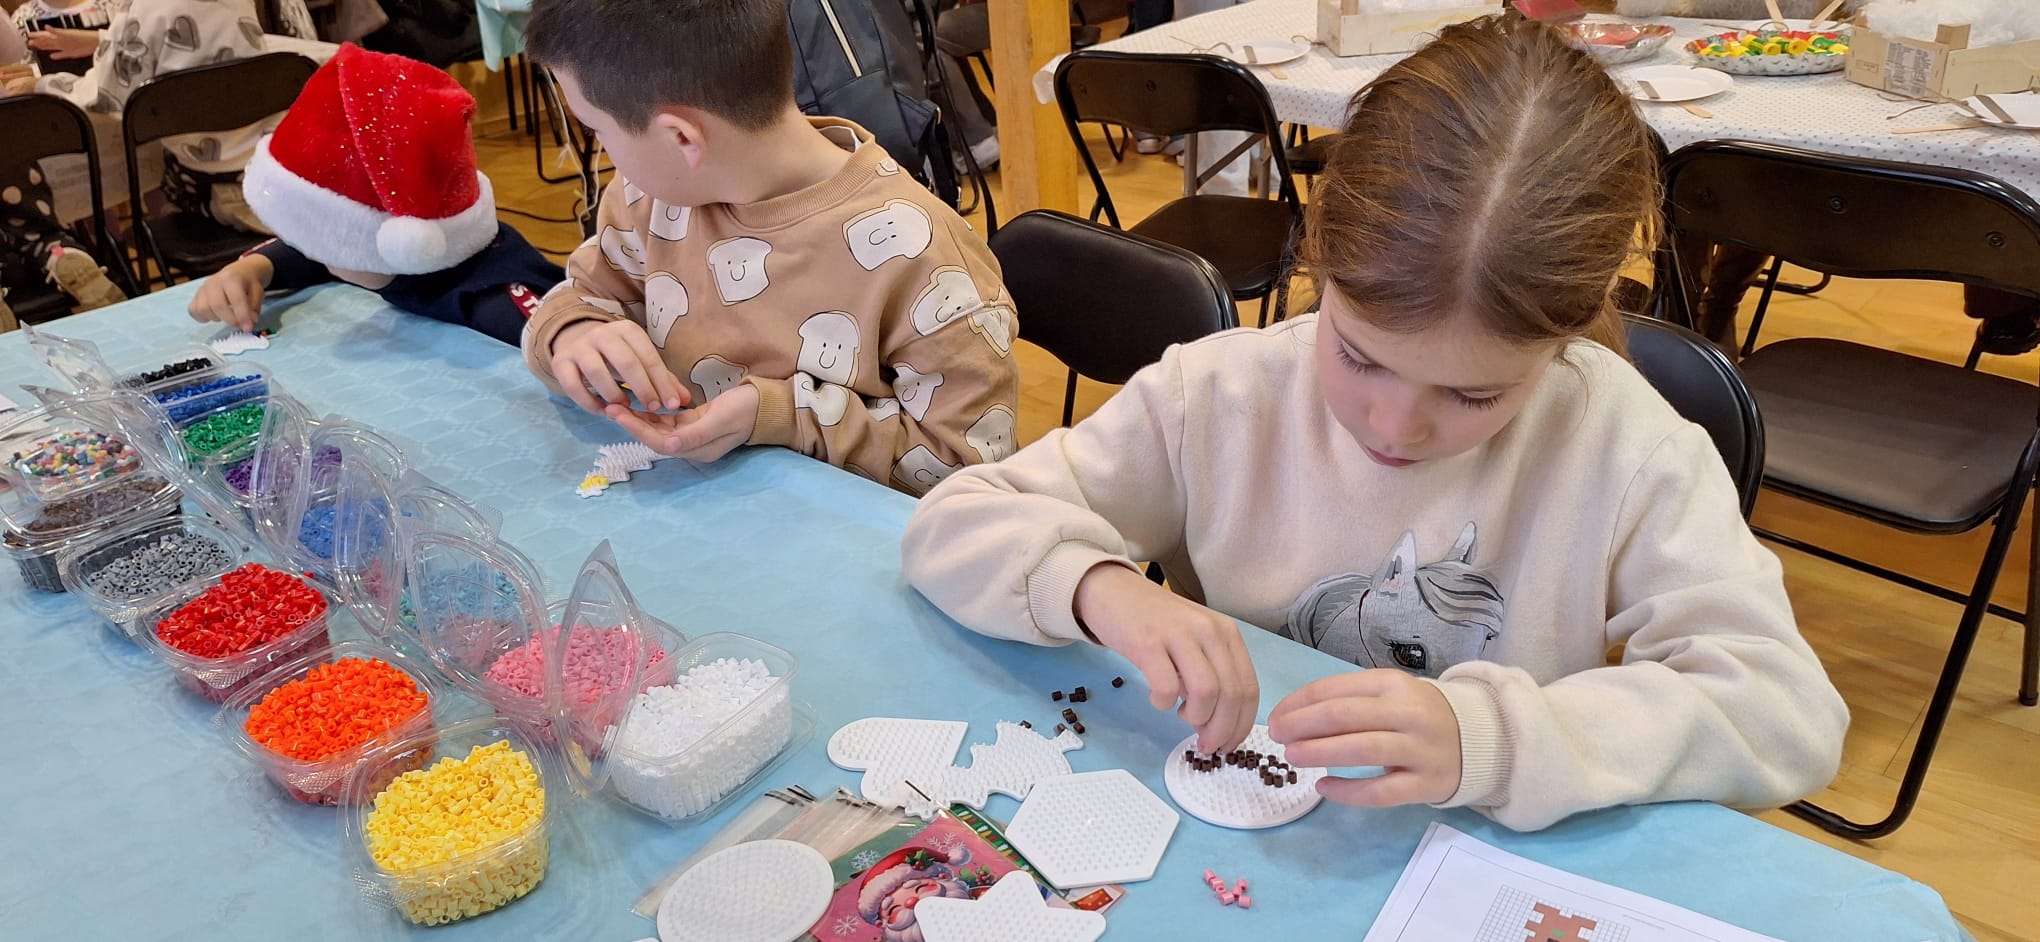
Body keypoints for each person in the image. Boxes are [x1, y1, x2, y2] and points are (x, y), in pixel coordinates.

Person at [901, 13, 1847, 832]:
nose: (1395, 427)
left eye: (1474, 396)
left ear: (1564, 336)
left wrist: (1498, 737)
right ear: (1317, 260)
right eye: (1357, 356)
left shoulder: (1625, 448)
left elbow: (1785, 712)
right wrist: (1096, 585)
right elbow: (953, 522)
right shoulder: (1220, 393)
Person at [519, 0, 1018, 496]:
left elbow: (967, 471)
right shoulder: (648, 201)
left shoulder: (924, 258)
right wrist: (574, 332)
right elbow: (582, 295)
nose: (604, 150)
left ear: (682, 138)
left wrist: (782, 416)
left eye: (596, 130)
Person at [187, 44, 563, 347]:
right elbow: (313, 257)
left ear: (394, 241)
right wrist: (250, 269)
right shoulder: (390, 260)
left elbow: (565, 344)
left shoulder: (496, 303)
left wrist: (560, 341)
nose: (310, 252)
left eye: (321, 244)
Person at [3, 0, 274, 233]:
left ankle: (113, 250)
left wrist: (40, 85)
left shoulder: (142, 8)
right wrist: (102, 40)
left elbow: (104, 98)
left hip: (210, 191)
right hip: (269, 173)